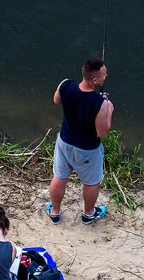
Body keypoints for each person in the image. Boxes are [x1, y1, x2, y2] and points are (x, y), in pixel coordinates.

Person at [46, 58, 113, 226]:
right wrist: (109, 110)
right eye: (104, 75)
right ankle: (88, 214)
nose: (106, 77)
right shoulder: (101, 104)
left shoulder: (65, 85)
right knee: (91, 182)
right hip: (87, 150)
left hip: (64, 142)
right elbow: (102, 133)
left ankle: (54, 212)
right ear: (95, 80)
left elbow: (56, 100)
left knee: (60, 177)